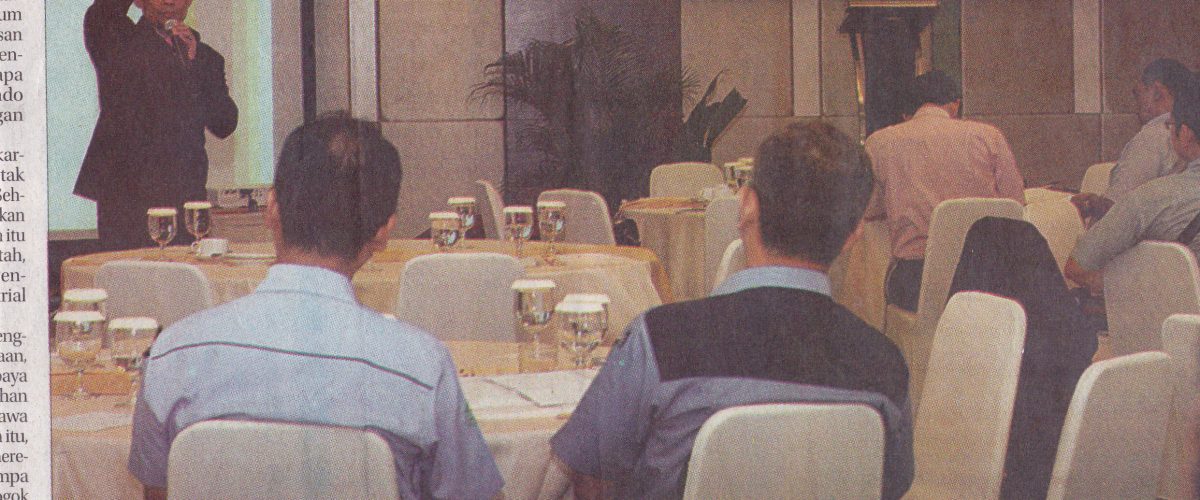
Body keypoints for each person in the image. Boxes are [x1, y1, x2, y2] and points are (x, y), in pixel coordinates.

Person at [127, 115, 503, 499]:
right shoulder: (422, 368)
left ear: (271, 207)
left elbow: (158, 494)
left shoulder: (172, 355)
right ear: (383, 232)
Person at [551, 121, 913, 499]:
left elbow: (589, 474)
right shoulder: (886, 365)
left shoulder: (658, 338)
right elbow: (888, 486)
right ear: (854, 234)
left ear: (747, 205)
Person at [77, 0, 238, 251]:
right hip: (127, 197)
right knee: (128, 272)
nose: (169, 1)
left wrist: (195, 63)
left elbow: (225, 123)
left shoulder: (206, 57)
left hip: (185, 196)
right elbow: (102, 11)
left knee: (182, 273)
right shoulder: (117, 40)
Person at [863, 70, 1025, 312]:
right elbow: (1015, 205)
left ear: (909, 111)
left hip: (916, 279)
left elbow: (869, 209)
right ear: (955, 104)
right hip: (985, 278)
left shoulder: (879, 142)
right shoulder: (988, 136)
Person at [1065, 73, 1200, 294]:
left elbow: (1076, 268)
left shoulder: (1150, 198)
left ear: (1185, 135)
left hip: (1172, 314)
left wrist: (1134, 288)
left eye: (1170, 125)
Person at [1104, 58, 1194, 202]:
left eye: (1138, 94)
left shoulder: (1152, 137)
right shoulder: (1193, 132)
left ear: (1157, 92)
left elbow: (1118, 203)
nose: (1136, 104)